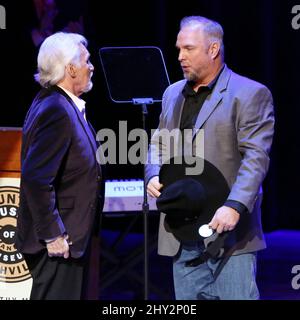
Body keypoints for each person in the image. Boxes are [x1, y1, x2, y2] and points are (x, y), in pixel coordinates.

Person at [146, 16, 275, 300]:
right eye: (178, 49)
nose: (180, 57)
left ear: (213, 49)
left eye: (188, 49)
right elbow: (158, 143)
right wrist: (153, 173)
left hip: (230, 236)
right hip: (183, 232)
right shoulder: (171, 95)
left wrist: (235, 205)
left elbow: (256, 158)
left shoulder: (250, 94)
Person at [16, 32, 104, 300]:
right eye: (86, 61)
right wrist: (53, 234)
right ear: (70, 68)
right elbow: (36, 179)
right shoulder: (56, 108)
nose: (91, 67)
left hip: (70, 240)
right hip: (57, 244)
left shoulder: (59, 103)